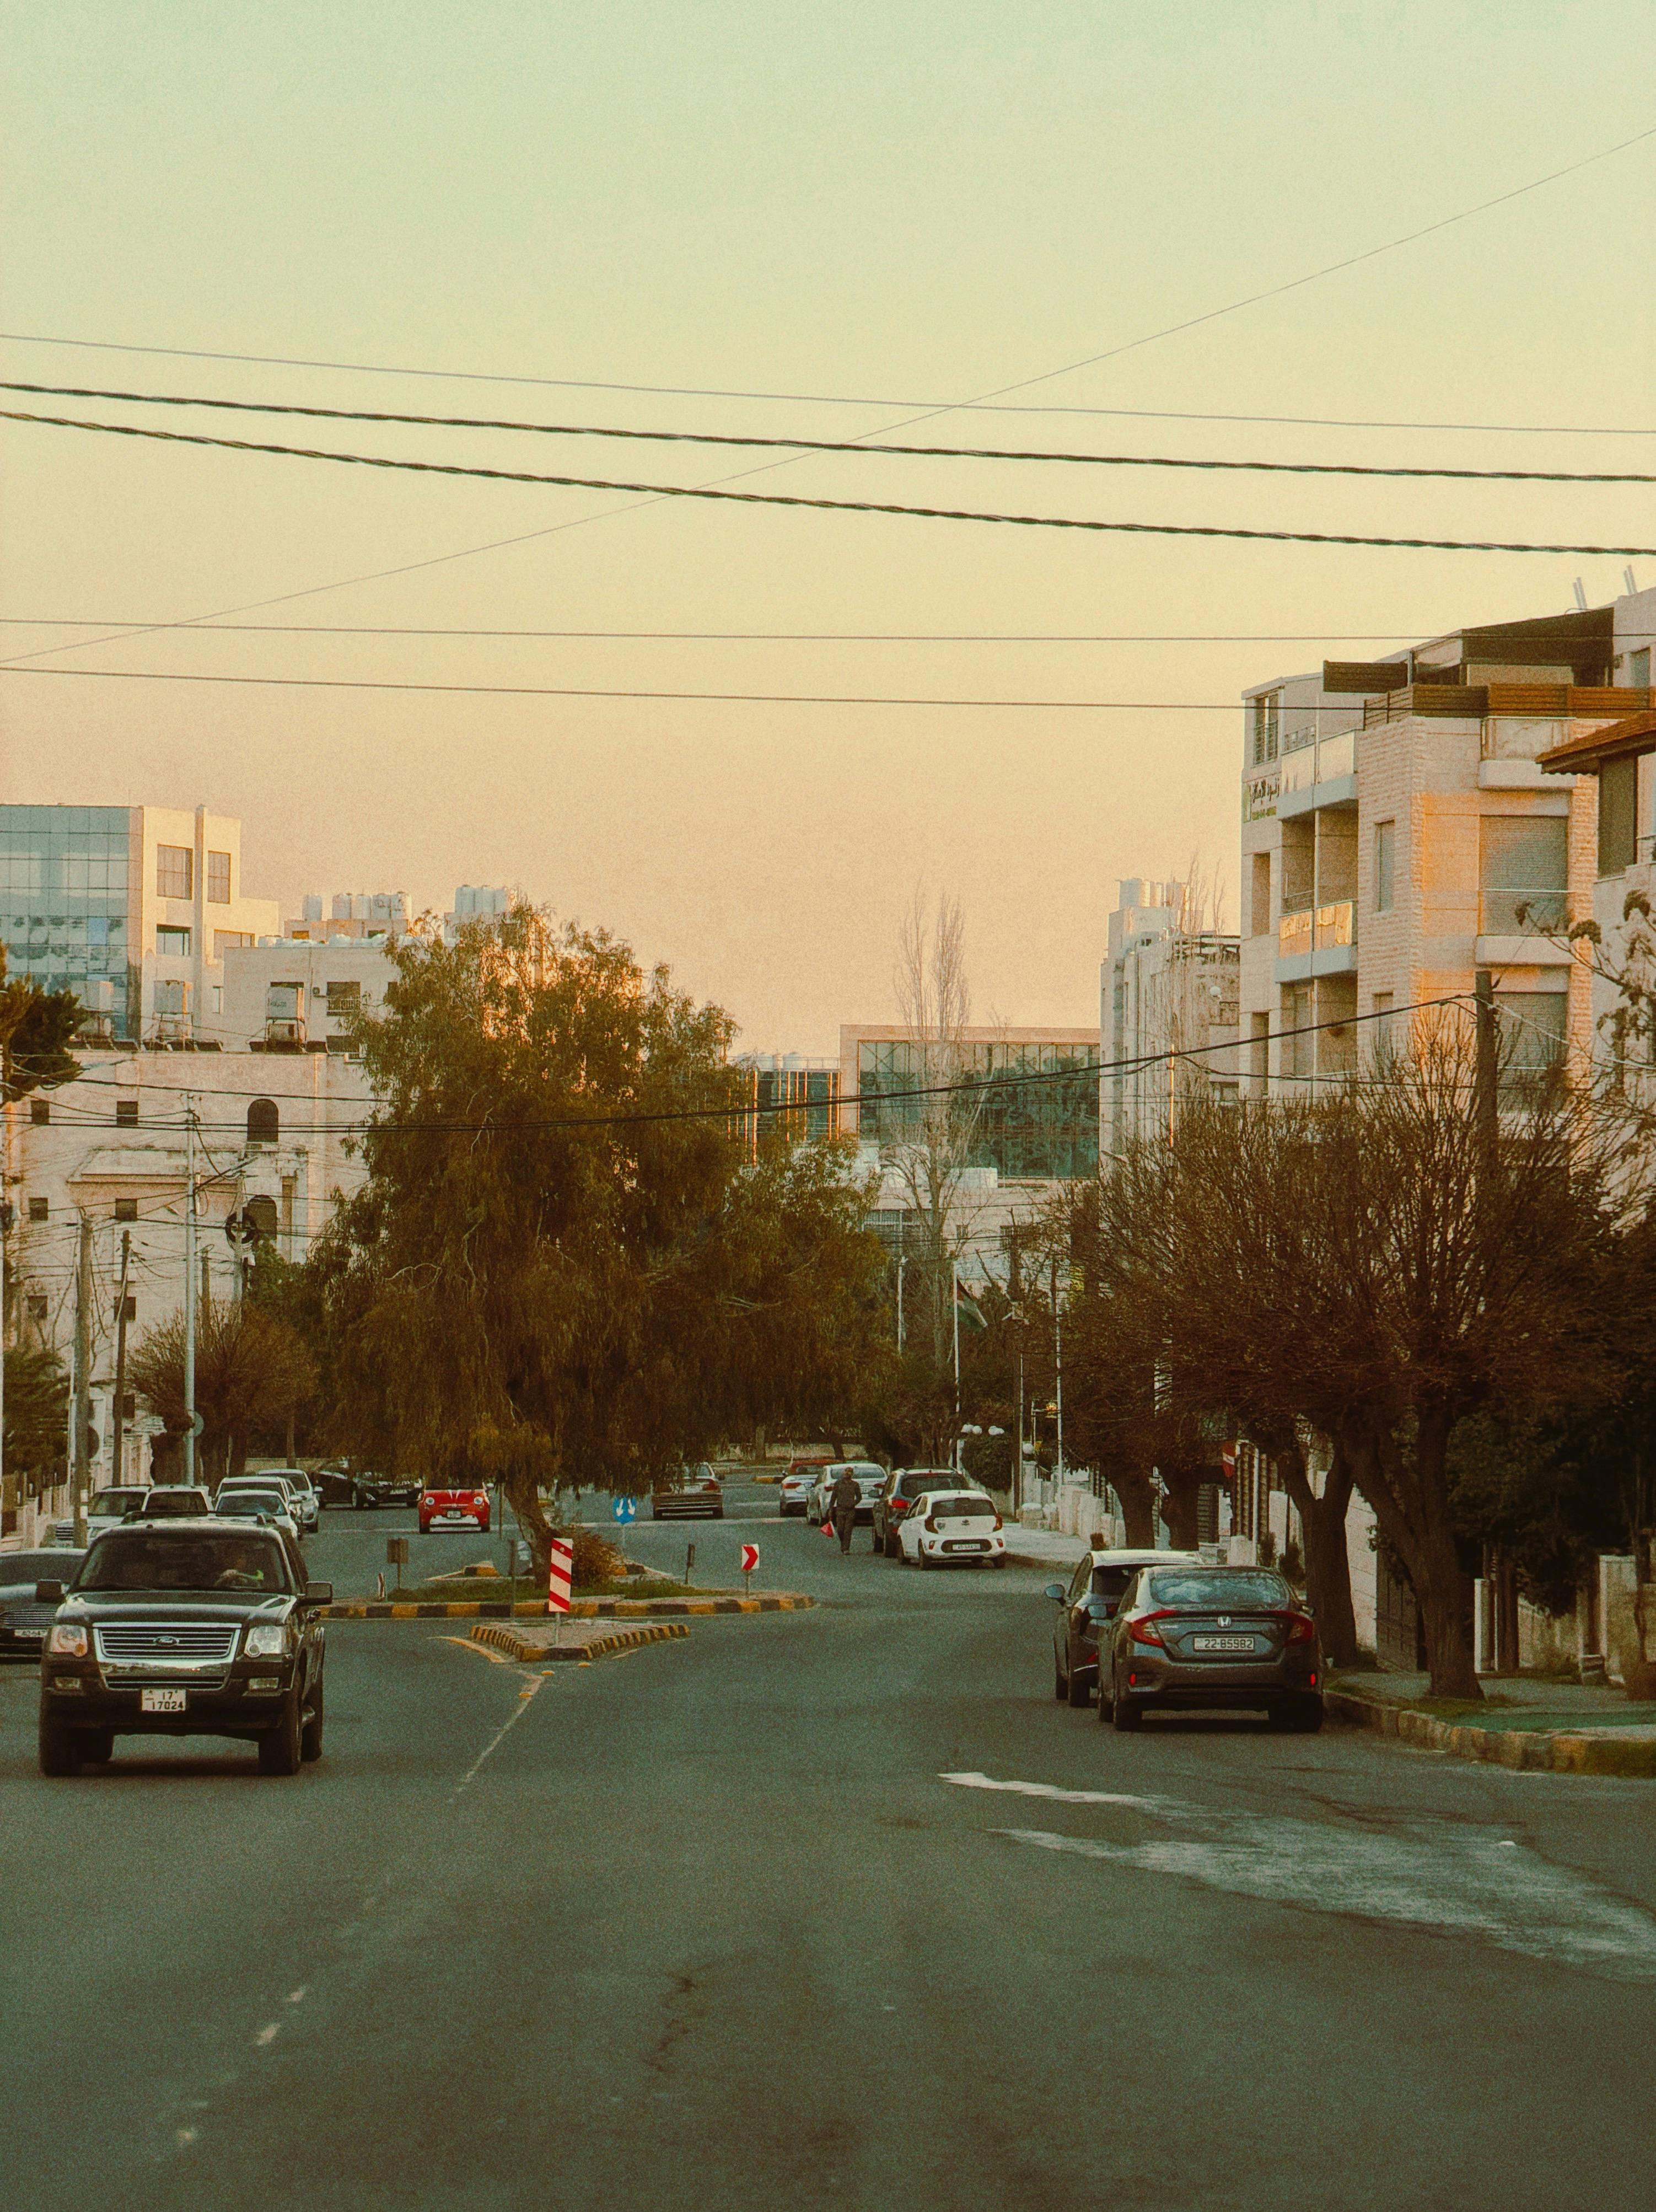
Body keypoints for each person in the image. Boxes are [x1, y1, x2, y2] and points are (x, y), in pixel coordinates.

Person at [827, 1465, 861, 1556]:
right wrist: (831, 1508)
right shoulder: (838, 1484)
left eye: (849, 1471)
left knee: (848, 1530)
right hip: (840, 1509)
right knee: (840, 1530)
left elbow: (859, 1497)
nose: (847, 1473)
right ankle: (843, 1543)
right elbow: (834, 1496)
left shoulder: (855, 1485)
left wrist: (853, 1503)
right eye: (846, 1471)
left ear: (852, 1474)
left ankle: (846, 1548)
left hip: (851, 1510)